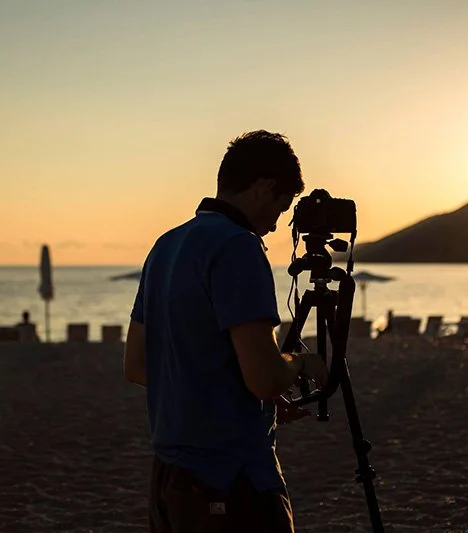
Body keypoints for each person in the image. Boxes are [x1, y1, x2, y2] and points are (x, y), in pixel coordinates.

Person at [124, 130, 329, 533]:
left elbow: (137, 365)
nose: (274, 227)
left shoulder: (166, 245)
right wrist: (301, 363)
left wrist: (234, 397)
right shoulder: (238, 246)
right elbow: (266, 378)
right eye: (280, 209)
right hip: (231, 480)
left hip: (170, 480)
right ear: (264, 187)